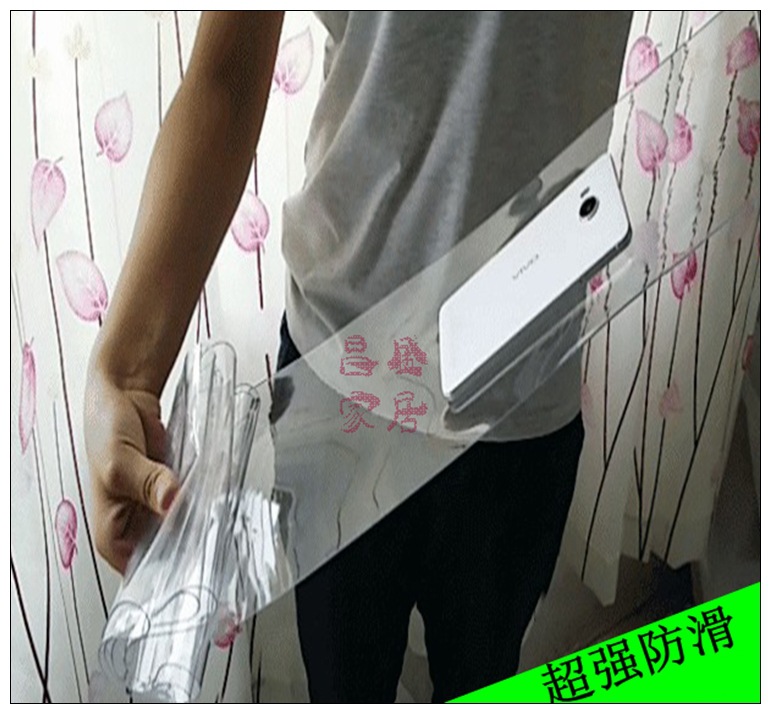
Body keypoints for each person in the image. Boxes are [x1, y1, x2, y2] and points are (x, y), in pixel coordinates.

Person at [84, 11, 631, 702]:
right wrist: (127, 369)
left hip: (520, 387)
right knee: (344, 683)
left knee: (482, 677)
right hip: (338, 379)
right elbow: (226, 73)